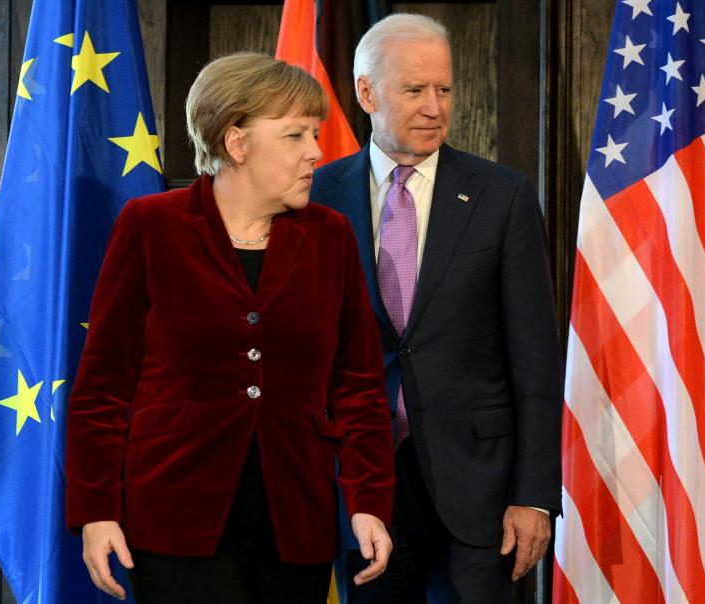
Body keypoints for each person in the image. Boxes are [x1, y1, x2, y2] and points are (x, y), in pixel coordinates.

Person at [65, 52, 395, 604]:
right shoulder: (151, 229)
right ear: (236, 143)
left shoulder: (330, 236)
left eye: (313, 134)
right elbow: (102, 389)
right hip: (173, 521)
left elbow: (358, 387)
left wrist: (367, 502)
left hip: (296, 524)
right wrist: (96, 510)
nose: (316, 151)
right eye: (295, 136)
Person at [310, 14, 563, 604]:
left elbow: (536, 364)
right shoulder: (316, 196)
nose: (434, 107)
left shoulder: (502, 196)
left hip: (480, 495)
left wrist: (533, 495)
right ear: (367, 92)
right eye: (414, 90)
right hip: (360, 491)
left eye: (443, 90)